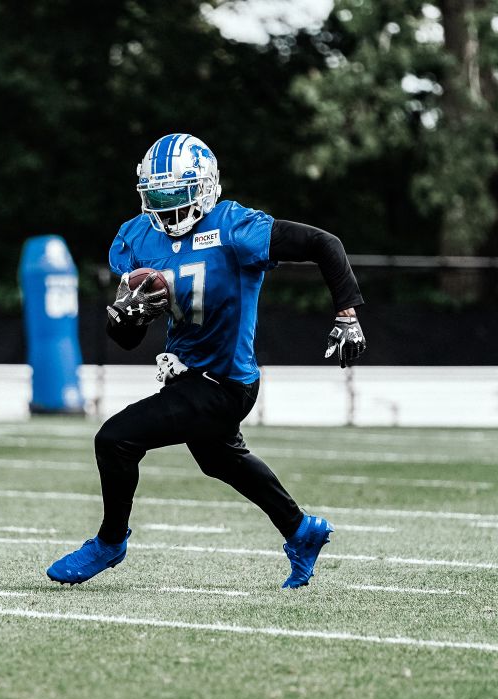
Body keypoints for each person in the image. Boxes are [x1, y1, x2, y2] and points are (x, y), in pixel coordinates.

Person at [46, 133, 367, 589]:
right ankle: (301, 530)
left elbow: (324, 244)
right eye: (157, 195)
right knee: (220, 460)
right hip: (186, 377)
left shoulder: (236, 227)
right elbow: (127, 339)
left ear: (204, 187)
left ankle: (110, 542)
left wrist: (347, 314)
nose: (166, 205)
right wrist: (128, 316)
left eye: (176, 193)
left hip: (226, 383)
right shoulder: (137, 238)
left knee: (115, 440)